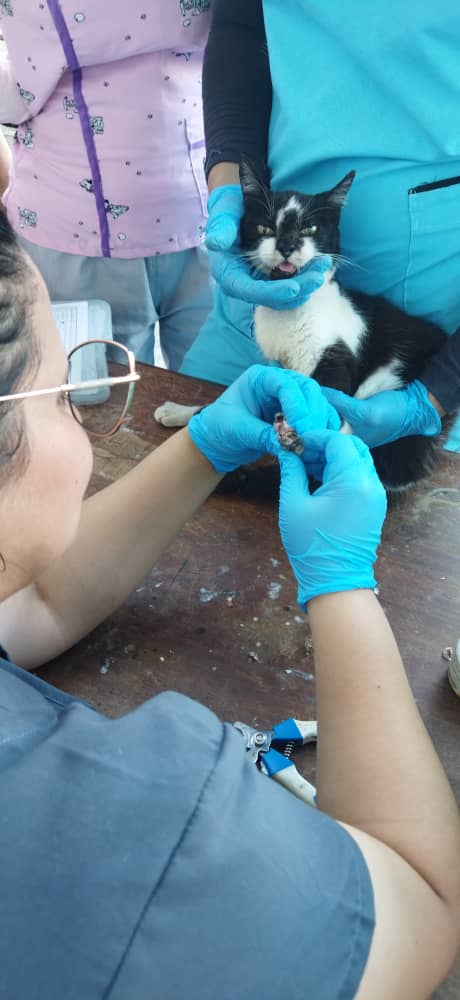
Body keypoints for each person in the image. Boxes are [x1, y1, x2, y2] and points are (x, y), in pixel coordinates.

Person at [0, 212, 459, 998]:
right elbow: (420, 898)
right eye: (70, 391)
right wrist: (343, 583)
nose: (85, 413)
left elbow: (32, 603)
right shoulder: (149, 862)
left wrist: (203, 445)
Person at [179, 0, 460, 454]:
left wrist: (437, 392)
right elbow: (241, 27)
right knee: (171, 467)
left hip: (407, 355)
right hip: (256, 292)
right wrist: (229, 191)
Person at [0, 0, 213, 371]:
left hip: (72, 225)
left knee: (107, 405)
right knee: (215, 396)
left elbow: (13, 98)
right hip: (199, 202)